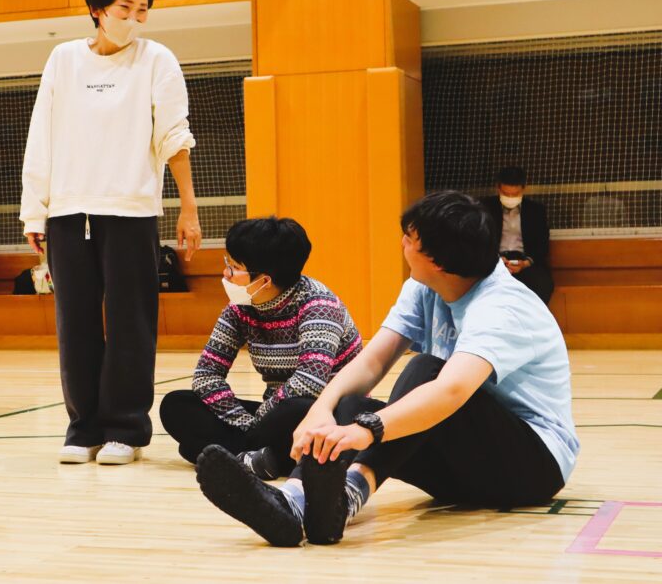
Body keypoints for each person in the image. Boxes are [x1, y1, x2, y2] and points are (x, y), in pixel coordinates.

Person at [195, 191, 579, 548]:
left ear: (437, 261)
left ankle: (337, 495)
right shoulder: (424, 286)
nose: (402, 243)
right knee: (351, 404)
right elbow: (372, 361)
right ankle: (297, 503)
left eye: (410, 238)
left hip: (531, 468)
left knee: (425, 370)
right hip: (464, 467)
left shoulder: (502, 307)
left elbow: (451, 390)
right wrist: (322, 410)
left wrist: (365, 431)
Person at [20, 0, 201, 465]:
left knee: (131, 323)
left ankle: (126, 428)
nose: (134, 19)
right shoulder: (63, 59)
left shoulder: (156, 59)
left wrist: (188, 207)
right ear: (97, 8)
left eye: (143, 10)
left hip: (131, 211)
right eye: (125, 8)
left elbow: (174, 137)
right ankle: (83, 428)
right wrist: (35, 212)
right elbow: (41, 135)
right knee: (74, 323)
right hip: (68, 212)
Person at [159, 217, 362, 479]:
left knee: (295, 409)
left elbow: (309, 383)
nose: (226, 274)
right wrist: (246, 422)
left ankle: (226, 453)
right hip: (271, 415)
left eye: (234, 268)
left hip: (324, 415)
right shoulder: (240, 307)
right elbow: (206, 375)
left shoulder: (318, 304)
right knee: (177, 404)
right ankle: (259, 458)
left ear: (265, 280)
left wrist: (259, 420)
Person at [480, 166, 554, 304]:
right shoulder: (485, 208)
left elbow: (542, 244)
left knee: (542, 284)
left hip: (525, 261)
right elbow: (480, 240)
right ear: (498, 188)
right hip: (494, 261)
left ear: (524, 189)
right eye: (506, 193)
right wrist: (496, 259)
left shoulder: (536, 211)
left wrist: (526, 263)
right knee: (484, 286)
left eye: (515, 194)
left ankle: (531, 317)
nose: (510, 198)